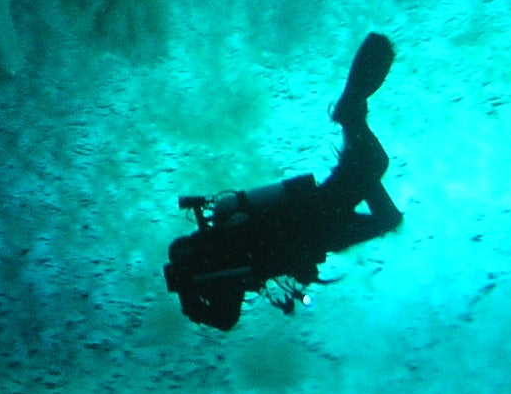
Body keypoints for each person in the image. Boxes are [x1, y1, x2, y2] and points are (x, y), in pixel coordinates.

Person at [164, 34, 402, 330]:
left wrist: (190, 300)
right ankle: (351, 122)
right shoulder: (220, 268)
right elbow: (226, 317)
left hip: (313, 224)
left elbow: (224, 319)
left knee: (374, 174)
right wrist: (190, 295)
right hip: (313, 226)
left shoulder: (220, 260)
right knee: (375, 182)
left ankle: (350, 118)